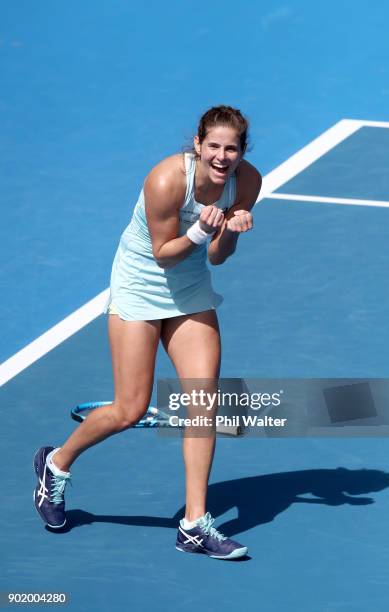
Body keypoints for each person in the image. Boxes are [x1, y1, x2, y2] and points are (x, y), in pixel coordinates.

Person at [33, 105, 262, 560]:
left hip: (191, 290)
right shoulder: (165, 180)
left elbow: (216, 258)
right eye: (213, 146)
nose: (222, 156)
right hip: (140, 287)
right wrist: (200, 229)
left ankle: (194, 525)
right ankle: (55, 465)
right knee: (129, 409)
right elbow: (164, 255)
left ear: (241, 151)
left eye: (231, 148)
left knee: (203, 404)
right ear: (197, 145)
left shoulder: (247, 182)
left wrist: (233, 230)